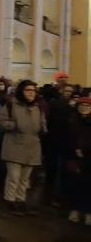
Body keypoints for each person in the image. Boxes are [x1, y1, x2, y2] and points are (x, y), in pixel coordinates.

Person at [0, 80, 46, 216]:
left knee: (25, 178)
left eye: (33, 91)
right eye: (28, 90)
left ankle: (20, 199)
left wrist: (43, 128)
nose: (31, 93)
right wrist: (12, 126)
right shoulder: (11, 105)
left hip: (32, 146)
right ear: (21, 91)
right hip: (14, 144)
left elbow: (42, 123)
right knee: (14, 176)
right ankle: (9, 200)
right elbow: (1, 121)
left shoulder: (38, 107)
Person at [46, 83, 78, 206]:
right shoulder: (56, 104)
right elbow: (52, 121)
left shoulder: (75, 105)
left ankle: (62, 195)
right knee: (54, 169)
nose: (68, 93)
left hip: (68, 143)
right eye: (66, 91)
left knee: (65, 171)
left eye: (70, 91)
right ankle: (53, 195)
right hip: (55, 141)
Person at [66, 97, 91, 226]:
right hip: (75, 158)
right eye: (82, 105)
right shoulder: (72, 121)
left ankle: (88, 212)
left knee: (88, 186)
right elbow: (67, 139)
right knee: (75, 185)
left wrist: (85, 150)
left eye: (87, 106)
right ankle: (75, 210)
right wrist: (74, 149)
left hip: (89, 158)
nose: (84, 108)